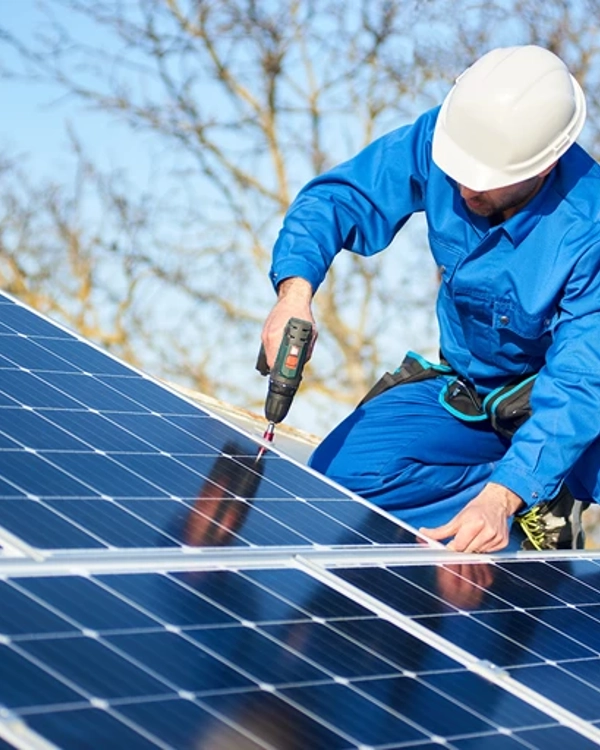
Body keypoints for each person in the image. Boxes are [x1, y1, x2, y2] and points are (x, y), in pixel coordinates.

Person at [260, 45, 600, 554]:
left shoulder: (589, 229)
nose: (464, 189)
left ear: (546, 163)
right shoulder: (448, 136)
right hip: (473, 394)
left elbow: (580, 381)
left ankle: (536, 492)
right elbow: (339, 197)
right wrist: (294, 292)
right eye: (459, 171)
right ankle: (528, 506)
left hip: (571, 409)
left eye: (486, 181)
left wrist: (507, 493)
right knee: (340, 476)